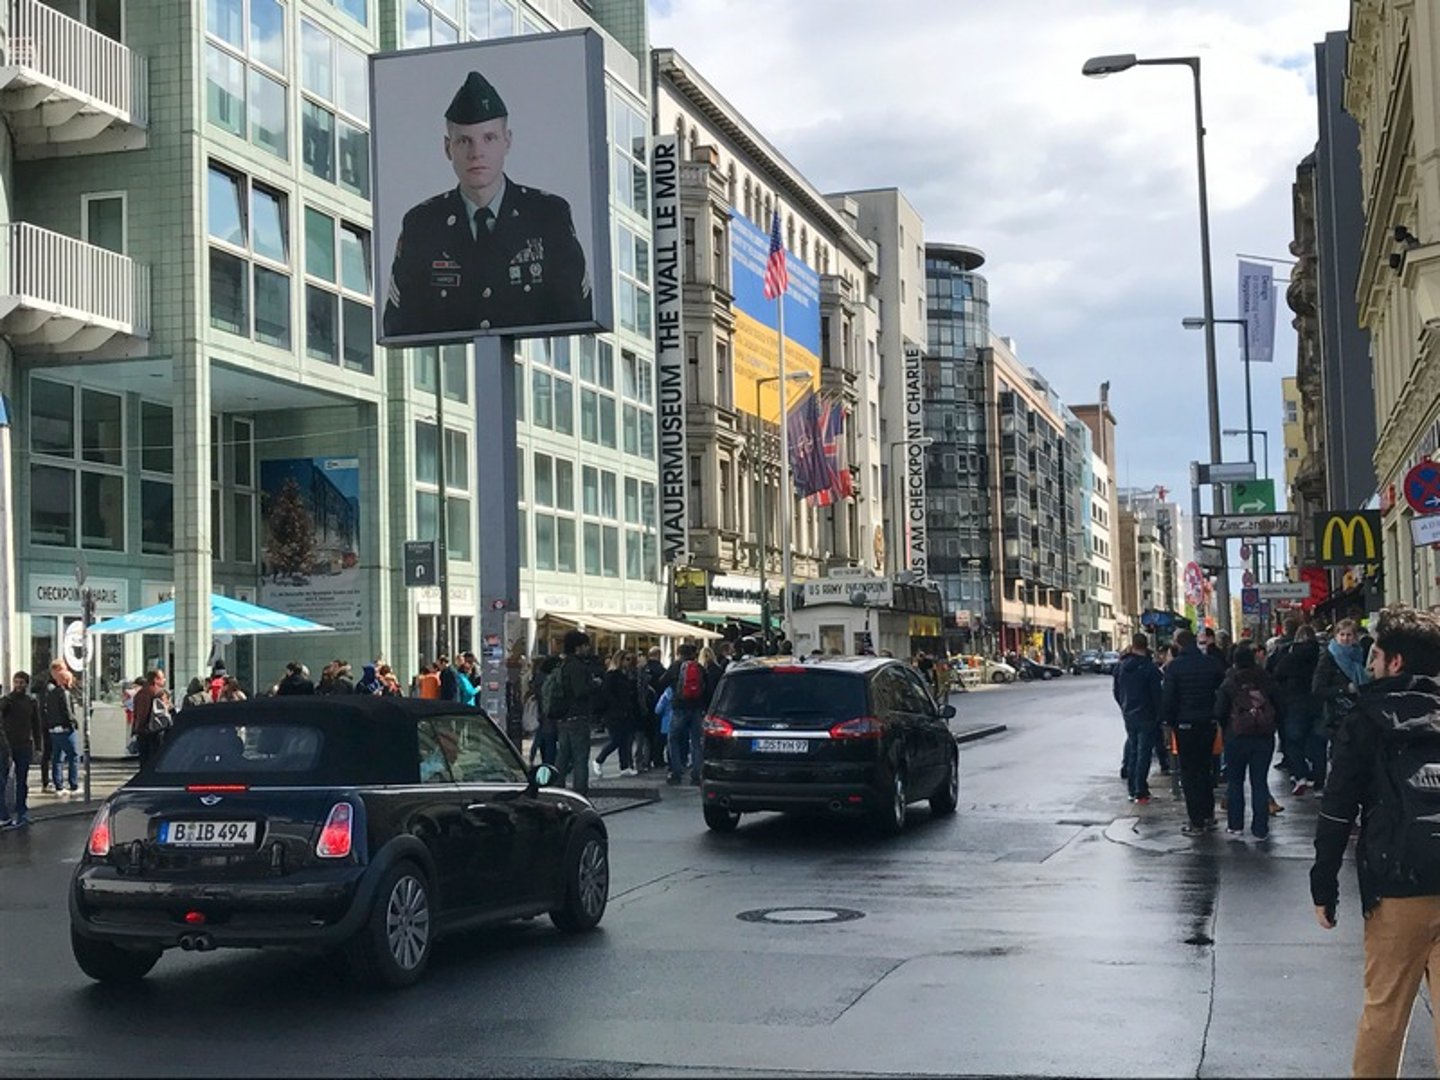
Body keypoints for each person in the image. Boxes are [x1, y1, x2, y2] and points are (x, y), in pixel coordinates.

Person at [1309, 605, 1440, 1077]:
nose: (1371, 664)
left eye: (1377, 654)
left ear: (1396, 662)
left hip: (1397, 883)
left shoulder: (1366, 717)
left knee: (1385, 1013)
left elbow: (1337, 809)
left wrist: (1324, 886)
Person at [382, 69, 591, 338]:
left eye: (489, 138)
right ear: (448, 148)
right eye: (464, 141)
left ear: (507, 141)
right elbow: (400, 327)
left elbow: (577, 318)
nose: (476, 152)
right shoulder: (422, 225)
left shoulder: (548, 216)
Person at [1161, 628, 1226, 835]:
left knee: (1189, 772)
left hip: (1185, 724)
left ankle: (1196, 820)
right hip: (1207, 722)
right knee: (1205, 769)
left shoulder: (1174, 667)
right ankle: (1208, 815)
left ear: (1178, 644)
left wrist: (1170, 722)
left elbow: (1169, 698)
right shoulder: (1210, 664)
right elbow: (1221, 688)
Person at [1214, 643, 1281, 839]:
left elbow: (1219, 712)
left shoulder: (1229, 682)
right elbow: (1279, 705)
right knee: (1259, 782)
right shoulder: (1265, 680)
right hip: (1263, 737)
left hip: (1236, 737)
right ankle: (1260, 828)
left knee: (1235, 782)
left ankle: (1235, 825)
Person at [1113, 632, 1163, 804]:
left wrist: (1125, 707)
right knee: (1144, 753)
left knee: (1134, 751)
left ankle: (1132, 788)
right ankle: (1140, 789)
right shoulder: (1149, 668)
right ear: (1146, 645)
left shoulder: (1121, 666)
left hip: (1129, 714)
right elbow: (1157, 695)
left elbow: (1116, 692)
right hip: (1147, 715)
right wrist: (1159, 714)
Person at [551, 630, 600, 796]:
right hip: (578, 717)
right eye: (586, 645)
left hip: (563, 716)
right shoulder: (577, 666)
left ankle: (557, 788)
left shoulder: (563, 664)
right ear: (579, 647)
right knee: (580, 758)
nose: (588, 649)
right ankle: (580, 794)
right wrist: (594, 684)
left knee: (563, 757)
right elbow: (581, 691)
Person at [1274, 624, 1322, 794]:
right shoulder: (1321, 655)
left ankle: (1301, 775)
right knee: (1317, 743)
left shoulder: (1290, 656)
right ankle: (1319, 780)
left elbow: (1276, 675)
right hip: (1317, 703)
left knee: (1294, 741)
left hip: (1295, 703)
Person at [658, 643, 712, 787]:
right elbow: (708, 689)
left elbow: (661, 682)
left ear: (678, 653)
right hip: (697, 709)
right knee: (696, 742)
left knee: (673, 739)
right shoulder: (699, 668)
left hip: (679, 708)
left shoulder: (675, 666)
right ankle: (696, 775)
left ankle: (676, 773)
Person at [0, 672, 41, 828]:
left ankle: (21, 812)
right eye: (16, 682)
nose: (18, 685)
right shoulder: (6, 701)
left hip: (24, 745)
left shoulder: (31, 702)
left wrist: (38, 746)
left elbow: (36, 725)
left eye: (21, 682)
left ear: (27, 684)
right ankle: (3, 814)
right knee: (2, 781)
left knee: (22, 781)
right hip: (6, 747)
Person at [594, 650, 639, 778]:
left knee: (624, 740)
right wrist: (617, 705)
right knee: (617, 739)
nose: (629, 662)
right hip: (613, 713)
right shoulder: (612, 675)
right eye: (627, 659)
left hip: (623, 711)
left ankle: (624, 766)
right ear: (620, 660)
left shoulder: (623, 675)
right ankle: (599, 759)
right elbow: (607, 694)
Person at [41, 661, 80, 795]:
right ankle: (73, 785)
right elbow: (67, 711)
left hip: (53, 729)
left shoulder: (50, 692)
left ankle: (58, 786)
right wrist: (73, 723)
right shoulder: (65, 693)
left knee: (57, 758)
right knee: (73, 756)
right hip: (65, 729)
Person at [131, 669, 170, 768]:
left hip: (141, 731)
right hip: (156, 730)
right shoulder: (159, 693)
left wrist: (135, 728)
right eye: (162, 678)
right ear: (156, 680)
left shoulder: (139, 693)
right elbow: (165, 713)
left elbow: (136, 713)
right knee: (157, 760)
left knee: (144, 760)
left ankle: (144, 780)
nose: (164, 680)